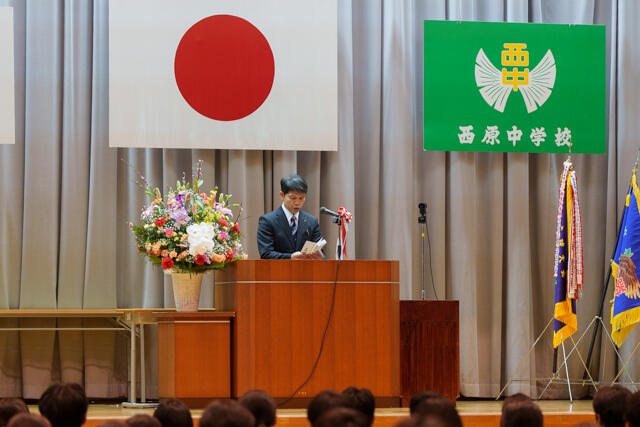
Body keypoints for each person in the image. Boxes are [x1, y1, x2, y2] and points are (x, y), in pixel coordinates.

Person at [257, 174, 323, 259]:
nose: (297, 203)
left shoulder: (312, 221)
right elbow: (266, 254)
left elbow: (321, 252)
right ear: (282, 195)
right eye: (293, 198)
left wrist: (320, 257)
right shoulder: (267, 221)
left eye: (301, 198)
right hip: (278, 267)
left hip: (306, 267)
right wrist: (290, 257)